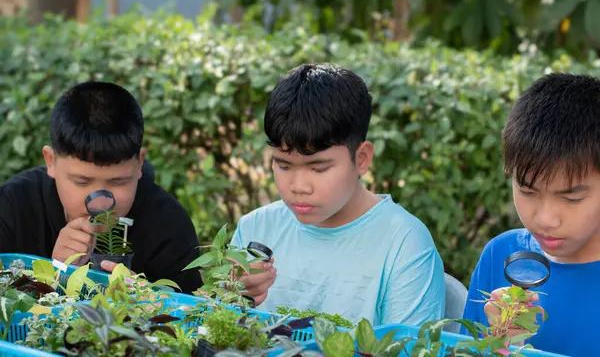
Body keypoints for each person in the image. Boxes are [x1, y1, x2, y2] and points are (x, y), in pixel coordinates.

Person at [0, 81, 273, 300]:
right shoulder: (14, 206)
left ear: (139, 164)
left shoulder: (167, 224)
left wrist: (146, 300)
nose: (100, 203)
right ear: (51, 162)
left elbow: (192, 314)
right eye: (82, 182)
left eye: (118, 182)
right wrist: (52, 273)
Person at [232, 63, 445, 326]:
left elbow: (412, 349)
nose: (298, 186)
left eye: (319, 168)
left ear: (362, 158)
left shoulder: (404, 243)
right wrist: (230, 299)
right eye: (284, 165)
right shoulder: (256, 228)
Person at [462, 73, 600, 356]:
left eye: (572, 197)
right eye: (527, 191)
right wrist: (499, 343)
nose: (545, 219)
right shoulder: (500, 254)